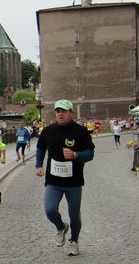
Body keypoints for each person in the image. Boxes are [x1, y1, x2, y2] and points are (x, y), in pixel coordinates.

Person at [35, 99, 95, 256]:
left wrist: (76, 155)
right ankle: (61, 227)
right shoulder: (48, 131)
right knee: (49, 210)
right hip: (53, 181)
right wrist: (38, 165)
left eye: (63, 111)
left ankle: (74, 241)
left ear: (71, 113)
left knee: (74, 215)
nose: (60, 114)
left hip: (73, 182)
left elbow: (90, 154)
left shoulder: (81, 132)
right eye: (57, 111)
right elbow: (40, 148)